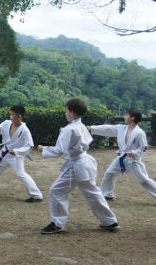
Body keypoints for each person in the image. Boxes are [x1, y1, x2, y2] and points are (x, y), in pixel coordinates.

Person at [38, 99, 119, 234]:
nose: (65, 113)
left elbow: (59, 150)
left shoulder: (69, 129)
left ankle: (57, 223)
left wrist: (43, 148)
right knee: (93, 192)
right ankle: (109, 221)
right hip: (85, 162)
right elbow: (82, 141)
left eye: (66, 110)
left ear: (72, 112)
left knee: (56, 190)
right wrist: (65, 134)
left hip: (76, 165)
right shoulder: (80, 126)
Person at [88, 109, 156, 206]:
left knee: (143, 180)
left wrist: (135, 153)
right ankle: (107, 194)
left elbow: (144, 147)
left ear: (132, 117)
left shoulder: (139, 133)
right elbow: (108, 129)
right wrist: (92, 128)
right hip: (121, 158)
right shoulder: (121, 128)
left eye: (126, 115)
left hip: (133, 160)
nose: (124, 116)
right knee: (109, 173)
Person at [0, 105, 43, 202]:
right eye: (10, 114)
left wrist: (17, 151)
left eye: (13, 115)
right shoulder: (6, 123)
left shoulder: (25, 130)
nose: (11, 117)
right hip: (4, 153)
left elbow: (29, 146)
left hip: (16, 156)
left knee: (21, 174)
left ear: (19, 116)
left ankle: (36, 196)